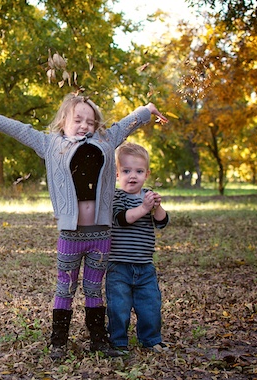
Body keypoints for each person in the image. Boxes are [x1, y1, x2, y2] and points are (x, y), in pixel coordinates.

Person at [0, 94, 168, 359]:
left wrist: (147, 110)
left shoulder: (105, 141)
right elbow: (20, 130)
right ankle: (58, 341)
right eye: (78, 120)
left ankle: (98, 341)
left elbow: (126, 124)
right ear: (63, 121)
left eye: (90, 122)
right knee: (65, 288)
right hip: (71, 234)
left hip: (101, 235)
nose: (84, 126)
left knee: (94, 289)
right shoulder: (51, 144)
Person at [106, 142, 170, 354]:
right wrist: (144, 207)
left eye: (139, 171)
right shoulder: (116, 196)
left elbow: (162, 222)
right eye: (126, 171)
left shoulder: (148, 195)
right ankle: (118, 341)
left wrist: (157, 207)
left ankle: (151, 339)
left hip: (145, 266)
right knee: (118, 307)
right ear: (117, 174)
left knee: (150, 305)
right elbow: (123, 219)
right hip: (119, 266)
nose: (132, 176)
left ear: (147, 174)